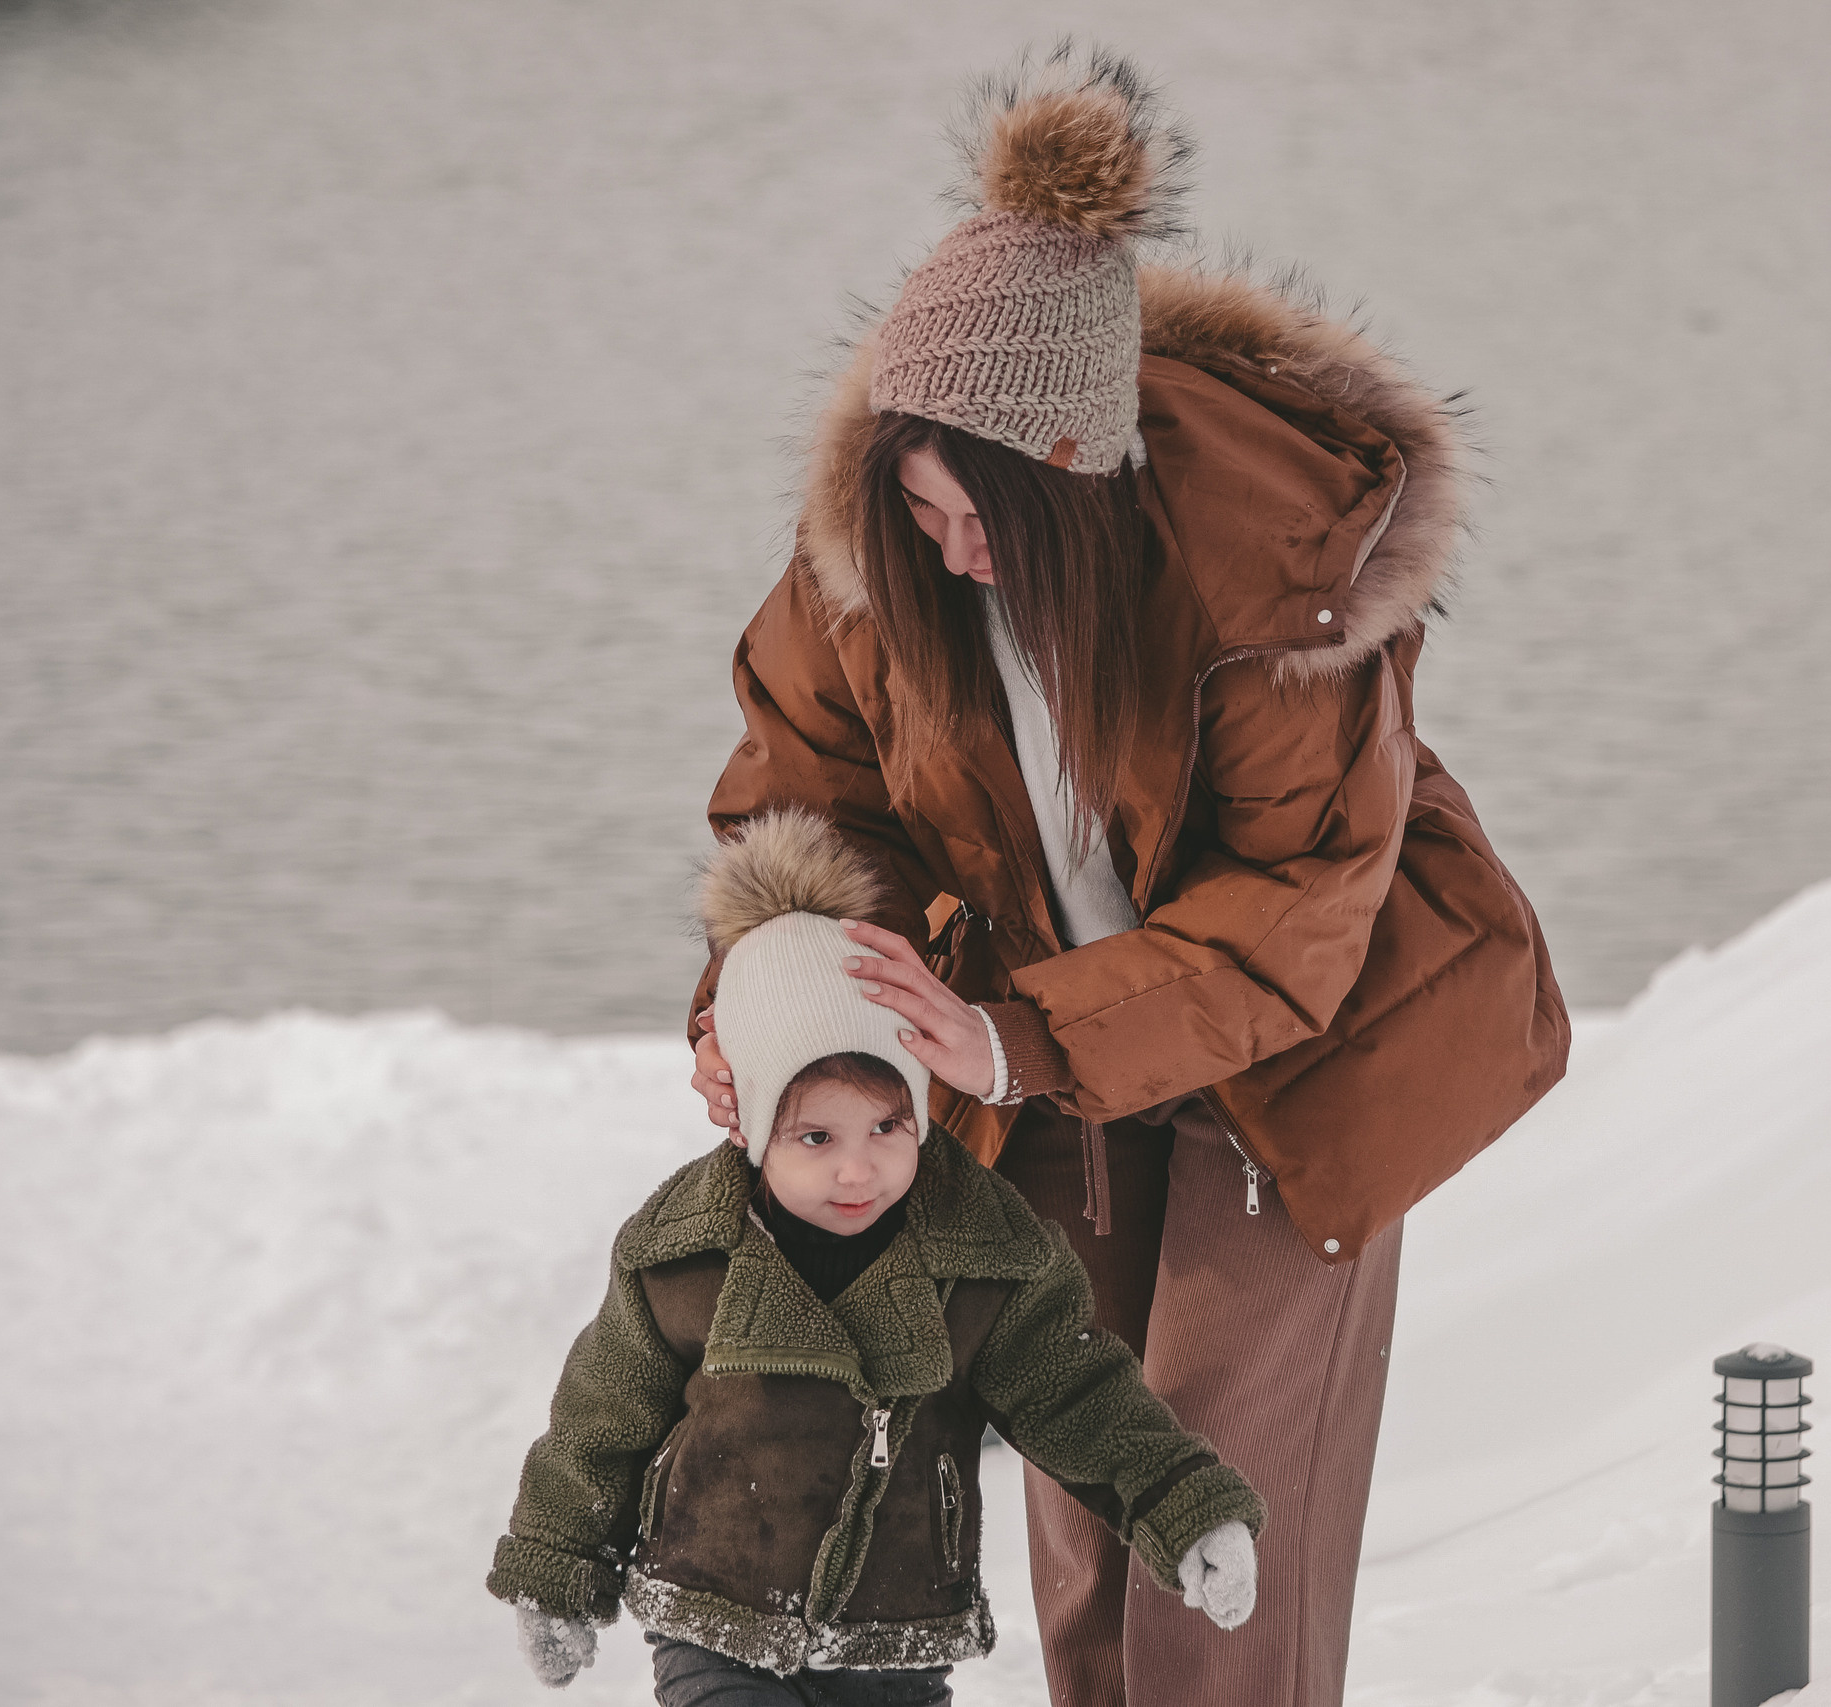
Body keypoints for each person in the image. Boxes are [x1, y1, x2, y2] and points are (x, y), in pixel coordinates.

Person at [687, 45, 1570, 1707]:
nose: (945, 550)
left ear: (1078, 479)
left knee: (1215, 1506)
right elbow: (801, 801)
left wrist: (1013, 1043)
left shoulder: (1277, 592)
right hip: (1043, 1047)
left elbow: (1297, 917)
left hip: (1300, 1069)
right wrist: (786, 1009)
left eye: (976, 519)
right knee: (1090, 1491)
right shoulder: (876, 567)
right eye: (917, 507)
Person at [491, 809, 1265, 1703]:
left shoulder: (982, 1250)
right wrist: (556, 1565)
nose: (858, 1166)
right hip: (717, 1614)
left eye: (888, 1126)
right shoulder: (684, 1251)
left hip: (896, 1629)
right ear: (751, 1125)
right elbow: (602, 1414)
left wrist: (1183, 1504)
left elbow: (1077, 1393)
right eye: (815, 1134)